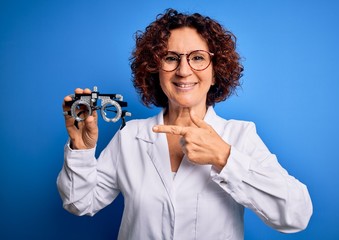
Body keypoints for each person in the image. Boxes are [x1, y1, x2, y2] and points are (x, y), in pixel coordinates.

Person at [57, 8, 312, 240]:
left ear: (216, 72)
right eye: (170, 58)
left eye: (198, 58)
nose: (183, 70)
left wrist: (226, 158)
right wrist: (80, 148)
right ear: (156, 70)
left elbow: (296, 215)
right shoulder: (131, 136)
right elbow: (79, 202)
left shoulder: (239, 136)